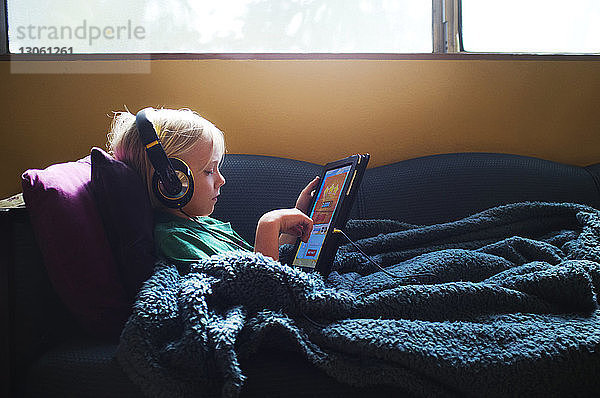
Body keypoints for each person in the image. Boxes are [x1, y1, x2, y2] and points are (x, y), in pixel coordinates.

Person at [107, 107, 319, 265]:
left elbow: (269, 261)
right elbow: (262, 290)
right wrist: (268, 225)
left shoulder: (203, 224)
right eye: (209, 171)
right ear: (171, 183)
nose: (221, 180)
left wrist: (297, 218)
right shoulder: (173, 240)